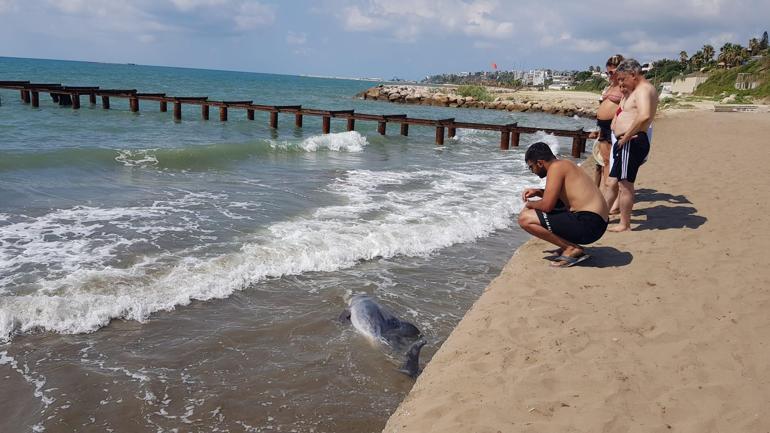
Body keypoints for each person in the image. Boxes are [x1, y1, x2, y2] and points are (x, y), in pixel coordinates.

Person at [518, 142, 609, 267]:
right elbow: (563, 197)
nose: (532, 171)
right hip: (597, 223)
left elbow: (547, 206)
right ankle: (567, 245)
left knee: (525, 219)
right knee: (551, 210)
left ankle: (570, 248)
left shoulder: (556, 168)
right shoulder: (564, 164)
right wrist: (538, 192)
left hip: (589, 224)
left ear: (540, 163)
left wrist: (530, 204)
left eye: (531, 167)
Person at [605, 59, 658, 232]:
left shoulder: (643, 90)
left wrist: (626, 137)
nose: (620, 83)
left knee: (624, 184)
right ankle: (600, 216)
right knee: (613, 181)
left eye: (622, 79)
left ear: (633, 75)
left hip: (631, 141)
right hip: (626, 142)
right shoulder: (637, 90)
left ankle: (624, 224)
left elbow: (643, 116)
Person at [590, 55, 625, 194]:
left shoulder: (624, 87)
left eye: (612, 72)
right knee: (605, 161)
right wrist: (597, 130)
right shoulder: (610, 86)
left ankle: (612, 195)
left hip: (614, 127)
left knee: (613, 162)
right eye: (607, 72)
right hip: (603, 127)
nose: (609, 75)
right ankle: (606, 191)